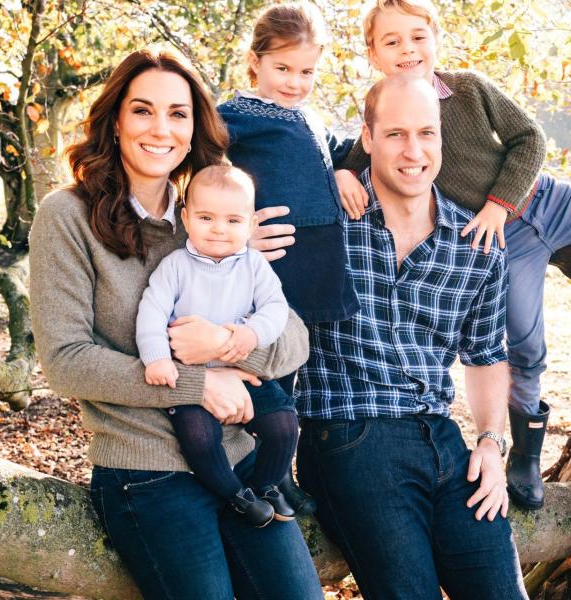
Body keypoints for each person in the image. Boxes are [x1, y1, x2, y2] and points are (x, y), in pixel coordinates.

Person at [334, 0, 571, 510]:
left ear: (435, 40)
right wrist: (338, 173)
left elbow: (529, 138)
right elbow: (360, 155)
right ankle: (526, 458)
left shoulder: (467, 88)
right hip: (505, 244)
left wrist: (498, 202)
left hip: (545, 200)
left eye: (418, 36)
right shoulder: (389, 110)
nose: (407, 49)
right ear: (374, 53)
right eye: (392, 41)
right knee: (524, 344)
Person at [28, 49, 322, 599]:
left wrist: (229, 344)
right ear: (115, 122)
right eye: (142, 111)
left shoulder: (213, 217)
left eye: (178, 113)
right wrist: (201, 383)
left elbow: (296, 337)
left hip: (241, 456)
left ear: (194, 129)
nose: (160, 128)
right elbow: (66, 362)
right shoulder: (65, 217)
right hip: (146, 468)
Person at [295, 75, 528, 600]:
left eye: (427, 133)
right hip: (351, 435)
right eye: (396, 134)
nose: (414, 151)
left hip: (444, 441)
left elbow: (486, 355)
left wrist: (492, 441)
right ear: (368, 137)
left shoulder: (476, 243)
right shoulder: (327, 226)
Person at [217, 2, 358, 513]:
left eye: (307, 71)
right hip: (276, 260)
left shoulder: (310, 115)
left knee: (294, 370)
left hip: (317, 259)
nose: (295, 82)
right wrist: (233, 226)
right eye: (283, 69)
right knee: (268, 369)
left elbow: (338, 148)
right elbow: (201, 167)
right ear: (255, 61)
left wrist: (343, 169)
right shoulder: (236, 115)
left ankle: (283, 471)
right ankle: (263, 471)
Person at [136, 165, 298, 526]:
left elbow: (275, 309)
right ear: (186, 217)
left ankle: (266, 485)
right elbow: (151, 311)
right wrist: (157, 358)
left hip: (240, 373)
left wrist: (250, 334)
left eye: (233, 220)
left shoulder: (254, 266)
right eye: (206, 217)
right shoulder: (175, 266)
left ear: (251, 224)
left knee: (284, 424)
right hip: (191, 379)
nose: (219, 229)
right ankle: (235, 495)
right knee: (198, 437)